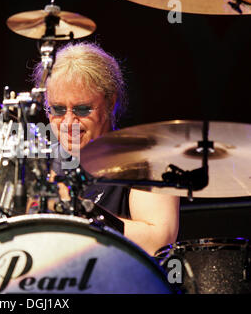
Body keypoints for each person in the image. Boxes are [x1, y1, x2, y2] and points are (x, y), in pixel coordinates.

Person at [32, 41, 180, 256]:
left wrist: (76, 210)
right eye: (58, 109)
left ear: (111, 102)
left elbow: (158, 241)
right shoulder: (40, 164)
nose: (68, 122)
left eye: (82, 109)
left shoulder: (148, 158)